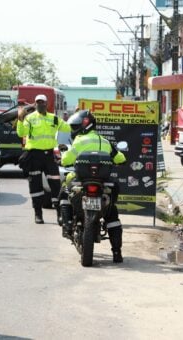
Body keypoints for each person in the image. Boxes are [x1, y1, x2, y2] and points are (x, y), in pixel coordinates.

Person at [59, 110, 126, 263]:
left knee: (64, 192)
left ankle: (67, 225)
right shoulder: (105, 141)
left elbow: (65, 160)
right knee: (112, 215)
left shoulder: (79, 141)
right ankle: (117, 253)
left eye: (75, 127)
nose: (73, 130)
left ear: (83, 127)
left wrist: (63, 158)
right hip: (103, 184)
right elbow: (121, 158)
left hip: (80, 181)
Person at [16, 94, 71, 224]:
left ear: (47, 104)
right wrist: (19, 119)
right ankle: (38, 214)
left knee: (56, 185)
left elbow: (68, 128)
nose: (40, 104)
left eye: (42, 102)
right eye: (38, 102)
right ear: (35, 104)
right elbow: (21, 133)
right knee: (35, 186)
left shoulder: (54, 119)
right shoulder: (29, 118)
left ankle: (60, 214)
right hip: (34, 156)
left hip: (49, 156)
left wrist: (75, 120)